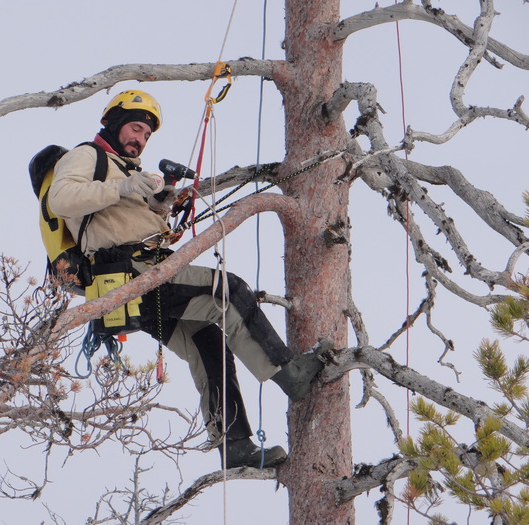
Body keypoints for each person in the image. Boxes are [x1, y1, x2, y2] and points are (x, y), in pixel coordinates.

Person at [48, 90, 328, 469]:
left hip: (135, 282)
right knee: (228, 291)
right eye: (135, 128)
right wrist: (122, 188)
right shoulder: (88, 156)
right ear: (113, 123)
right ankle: (289, 373)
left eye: (146, 135)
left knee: (208, 345)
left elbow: (130, 221)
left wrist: (161, 205)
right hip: (131, 274)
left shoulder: (128, 170)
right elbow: (60, 199)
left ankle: (236, 447)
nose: (140, 139)